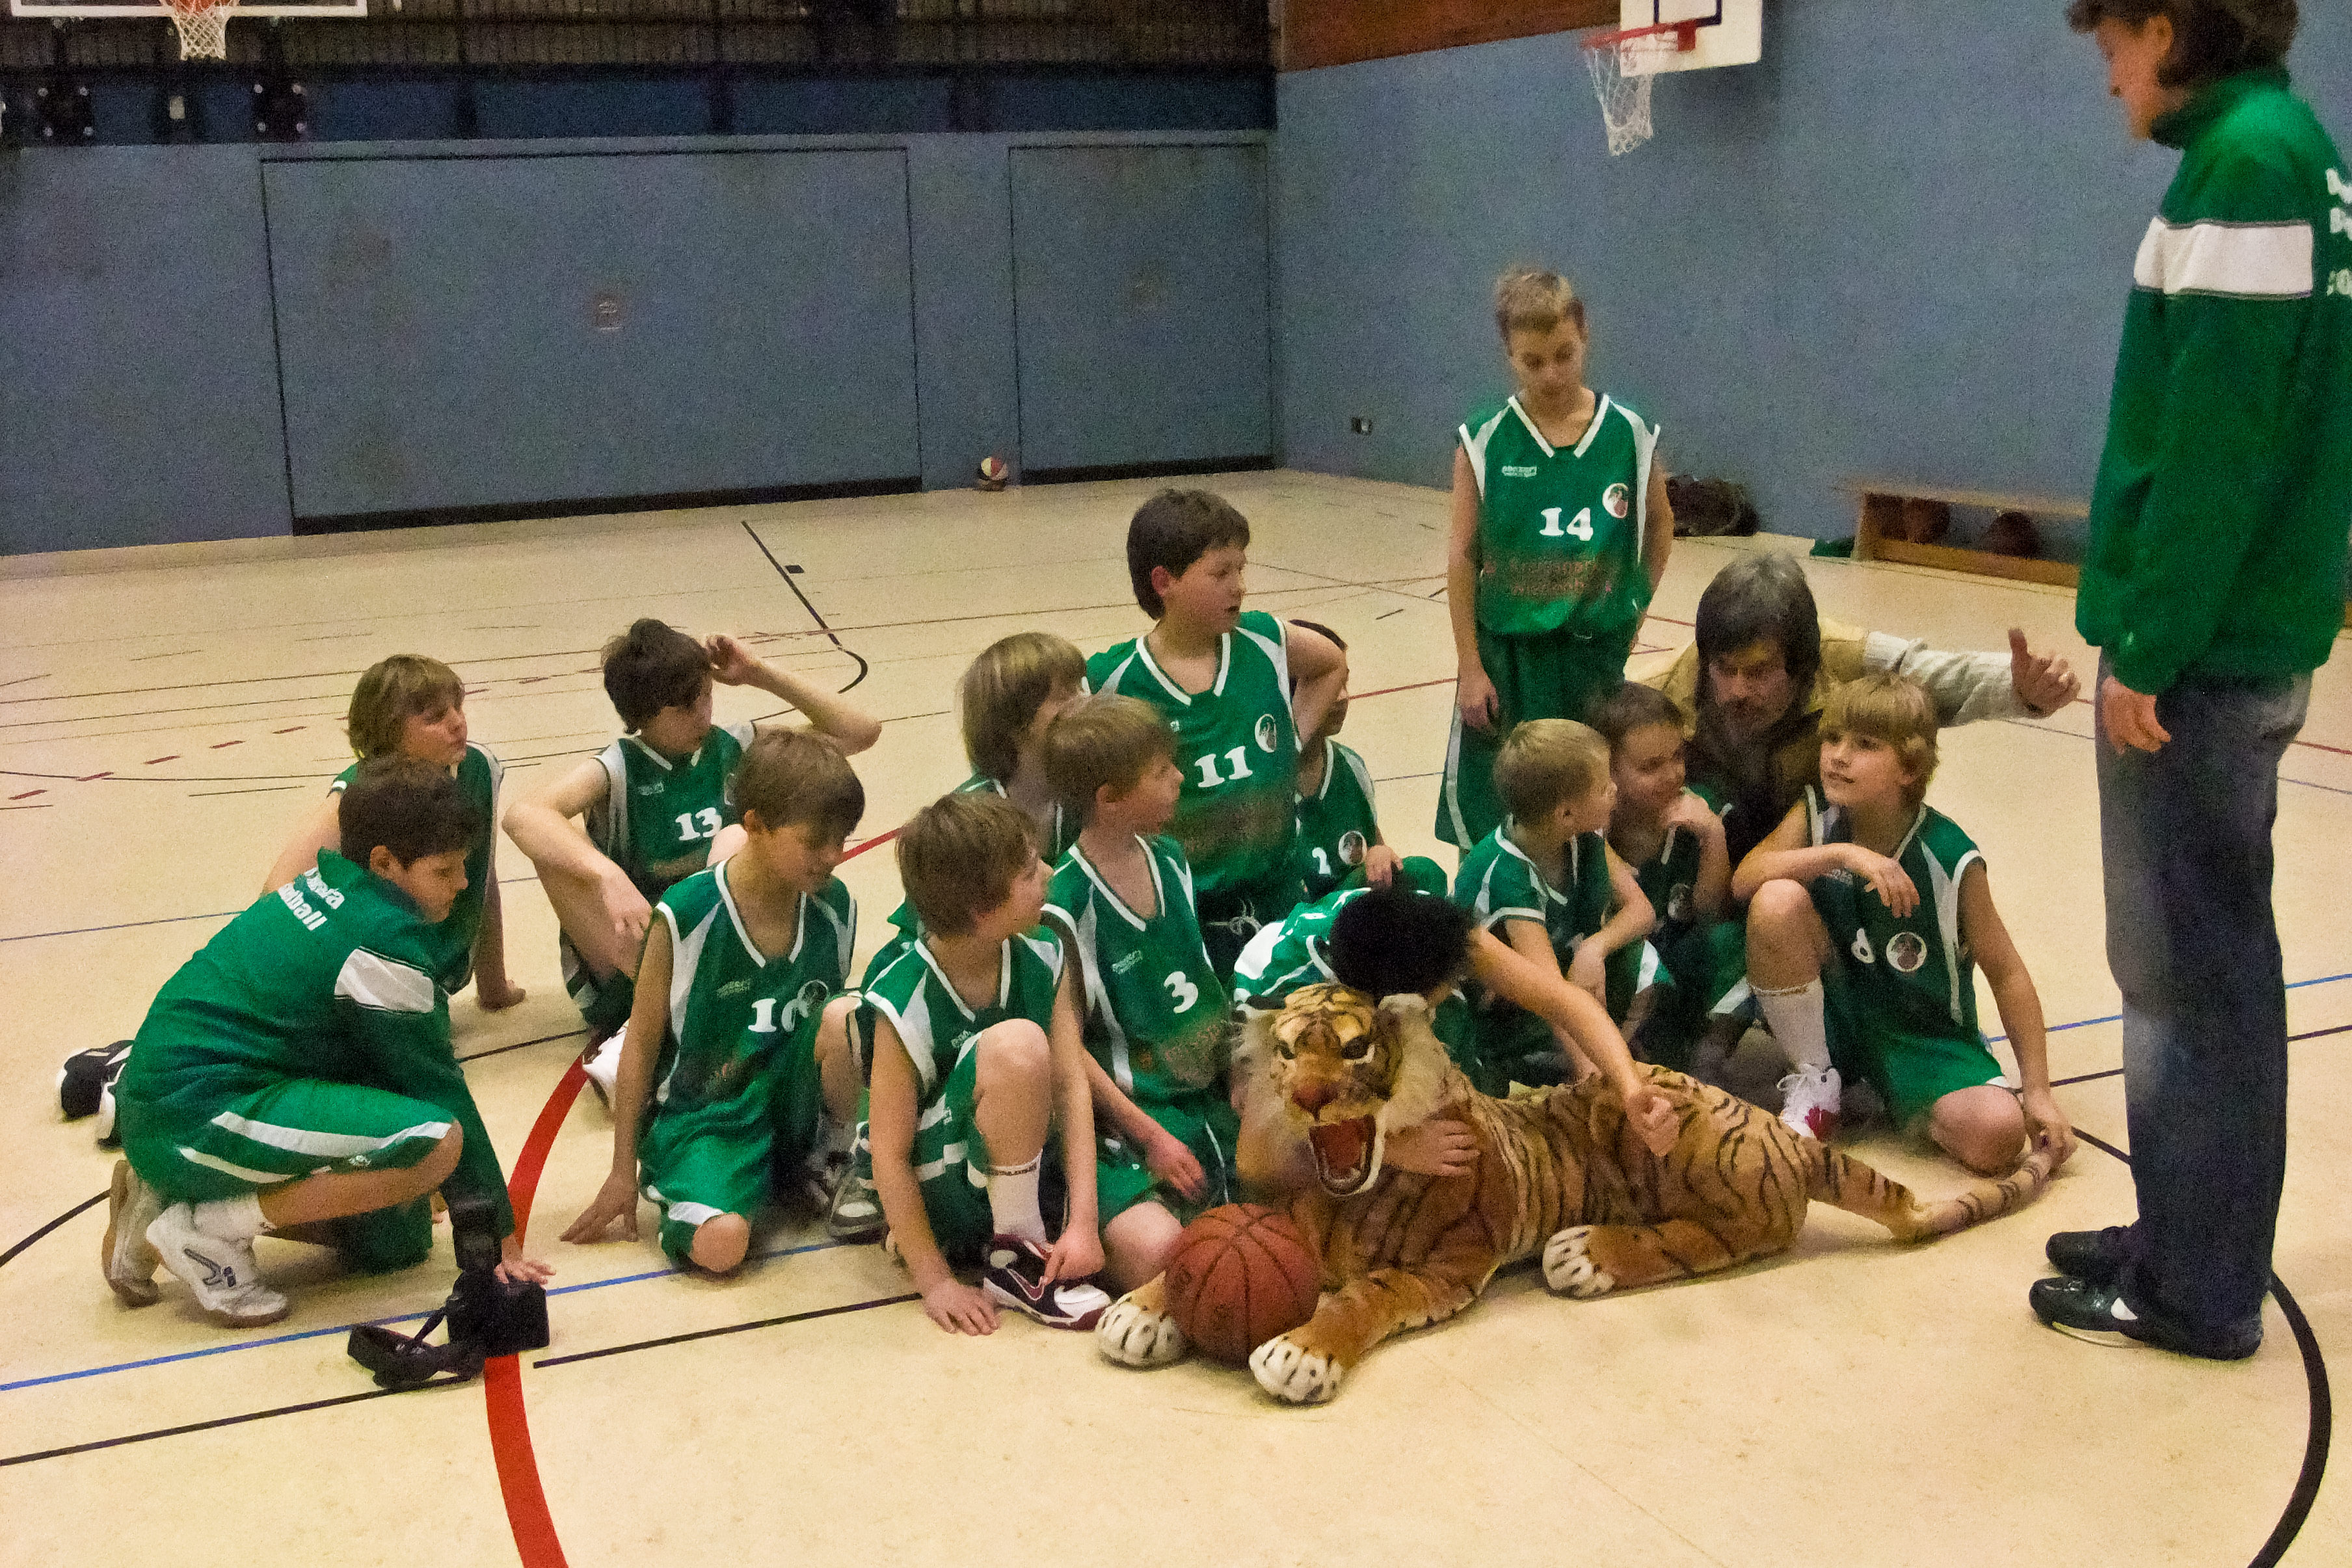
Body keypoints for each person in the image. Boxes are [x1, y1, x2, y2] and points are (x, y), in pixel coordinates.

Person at [2032, 0, 2349, 1361]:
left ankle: (2196, 1286)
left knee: (2190, 975)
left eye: (2108, 43)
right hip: (2232, 633)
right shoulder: (2277, 149)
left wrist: (2149, 648)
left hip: (2204, 654)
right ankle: (2183, 1233)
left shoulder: (2246, 165)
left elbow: (2218, 443)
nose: (2105, 75)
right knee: (2193, 962)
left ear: (2163, 30)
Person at [103, 758, 552, 1328]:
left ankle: (162, 1203)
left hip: (175, 1101)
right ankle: (204, 1229)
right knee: (434, 1142)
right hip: (192, 1114)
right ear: (385, 863)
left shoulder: (333, 882)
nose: (463, 884)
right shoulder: (383, 940)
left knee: (396, 1239)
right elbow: (439, 1089)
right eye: (445, 870)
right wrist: (499, 1238)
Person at [1730, 674, 2078, 1179]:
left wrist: (2039, 1092)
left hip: (1922, 1038)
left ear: (1910, 768)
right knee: (1775, 900)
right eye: (1833, 738)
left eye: (1865, 745)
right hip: (1838, 1017)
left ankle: (1903, 1096)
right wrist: (1841, 854)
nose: (1838, 756)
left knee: (1998, 1134)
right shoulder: (1818, 816)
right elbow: (1745, 879)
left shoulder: (1951, 856)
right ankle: (1818, 1080)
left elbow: (2007, 972)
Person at [502, 618, 880, 1067]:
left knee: (733, 838)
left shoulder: (736, 745)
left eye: (707, 696)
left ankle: (695, 1019)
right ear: (642, 713)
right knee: (559, 843)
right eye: (685, 707)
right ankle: (650, 1025)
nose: (703, 714)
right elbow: (520, 815)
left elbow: (860, 731)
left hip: (726, 961)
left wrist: (759, 672)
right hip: (640, 954)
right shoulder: (621, 767)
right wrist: (607, 874)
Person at [559, 732, 866, 1274]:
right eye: (815, 841)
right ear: (755, 825)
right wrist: (621, 1170)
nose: (833, 856)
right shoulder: (688, 913)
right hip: (707, 1118)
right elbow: (641, 1043)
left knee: (848, 1014)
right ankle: (699, 1187)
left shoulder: (834, 905)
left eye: (841, 839)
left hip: (794, 1104)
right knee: (723, 1247)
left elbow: (831, 1039)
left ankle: (832, 1157)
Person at [1233, 882, 1683, 1193]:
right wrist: (1390, 1149)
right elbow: (1255, 1165)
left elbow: (1565, 1001)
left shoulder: (1437, 929)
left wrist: (1630, 1089)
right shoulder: (1297, 1009)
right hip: (1284, 989)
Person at [1439, 267, 1676, 853]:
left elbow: (1661, 526)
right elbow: (1463, 555)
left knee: (1590, 808)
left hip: (1593, 657)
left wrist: (1635, 608)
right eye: (1532, 361)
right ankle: (1487, 902)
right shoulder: (1485, 438)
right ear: (1509, 354)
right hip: (1509, 659)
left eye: (1563, 355)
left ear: (1584, 335)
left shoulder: (1630, 433)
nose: (1550, 373)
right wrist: (1470, 666)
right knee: (1499, 810)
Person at [859, 792, 1112, 1333]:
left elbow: (1072, 1087)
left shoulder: (1043, 953)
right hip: (942, 1187)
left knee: (1146, 1246)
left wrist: (1084, 1223)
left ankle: (1031, 1232)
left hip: (1024, 1163)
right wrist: (936, 1281)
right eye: (1030, 873)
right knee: (1018, 1045)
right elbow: (889, 1155)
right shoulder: (901, 997)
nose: (1048, 875)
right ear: (982, 910)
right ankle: (1016, 1259)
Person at [1651, 554, 2081, 862]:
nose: (1738, 690)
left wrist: (2021, 687)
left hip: (1807, 857)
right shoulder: (1657, 691)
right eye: (1724, 669)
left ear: (1802, 663)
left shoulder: (1845, 656)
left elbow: (1938, 674)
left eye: (1759, 672)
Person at [1089, 489, 1347, 977]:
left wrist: (1292, 741)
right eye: (1220, 573)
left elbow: (1331, 662)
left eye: (1241, 570)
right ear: (1164, 581)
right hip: (1186, 916)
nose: (1239, 587)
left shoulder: (1264, 639)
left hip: (1278, 897)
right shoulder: (1114, 679)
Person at [1039, 695, 1237, 1292]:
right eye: (1161, 771)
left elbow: (1203, 985)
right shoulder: (1065, 902)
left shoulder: (1171, 859)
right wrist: (1148, 1136)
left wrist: (1244, 1076)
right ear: (1109, 797)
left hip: (1207, 1093)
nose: (1180, 778)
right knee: (1163, 1255)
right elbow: (1066, 1049)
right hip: (1132, 1118)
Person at [261, 654, 523, 1011]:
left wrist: (493, 986)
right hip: (371, 983)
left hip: (427, 974)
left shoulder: (478, 768)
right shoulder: (356, 796)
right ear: (388, 734)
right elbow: (275, 898)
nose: (457, 723)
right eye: (435, 717)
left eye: (458, 707)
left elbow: (481, 877)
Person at [862, 630, 1088, 989]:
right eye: (1064, 696)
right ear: (1016, 722)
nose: (1084, 702)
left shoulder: (1081, 792)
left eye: (1081, 688)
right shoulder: (972, 817)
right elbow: (928, 931)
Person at [1451, 719, 1659, 1087]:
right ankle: (1579, 1075)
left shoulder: (1582, 835)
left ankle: (1609, 1057)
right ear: (1565, 814)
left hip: (1559, 975)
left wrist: (1594, 949)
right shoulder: (1507, 874)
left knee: (1642, 961)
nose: (1614, 788)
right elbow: (1549, 994)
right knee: (1581, 1052)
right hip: (1505, 1015)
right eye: (1603, 787)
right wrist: (1591, 1075)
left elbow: (1642, 911)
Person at [1590, 681, 1746, 1079]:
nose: (1672, 774)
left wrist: (1713, 836)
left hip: (1683, 965)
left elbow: (1710, 910)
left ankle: (1707, 1060)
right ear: (1607, 771)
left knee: (1736, 939)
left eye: (1678, 756)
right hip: (1621, 973)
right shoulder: (1588, 824)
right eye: (1650, 767)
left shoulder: (1701, 807)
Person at [1285, 619, 1402, 903]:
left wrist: (1380, 854)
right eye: (1326, 685)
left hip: (1352, 920)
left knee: (1424, 873)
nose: (1342, 697)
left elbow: (1377, 849)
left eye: (1344, 681)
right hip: (1291, 925)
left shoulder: (1351, 766)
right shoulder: (1261, 779)